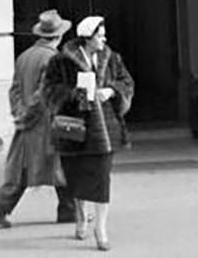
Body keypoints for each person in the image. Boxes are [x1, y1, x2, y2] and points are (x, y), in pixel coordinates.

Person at [42, 15, 134, 252]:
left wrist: (111, 91)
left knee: (102, 179)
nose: (104, 39)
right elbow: (48, 90)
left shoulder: (112, 58)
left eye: (104, 35)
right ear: (87, 38)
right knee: (77, 177)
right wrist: (74, 94)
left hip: (105, 131)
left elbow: (126, 82)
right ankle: (81, 216)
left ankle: (100, 229)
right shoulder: (61, 61)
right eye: (100, 35)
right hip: (74, 129)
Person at [0, 10, 76, 228]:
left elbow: (15, 90)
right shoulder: (54, 59)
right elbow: (43, 93)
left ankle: (0, 205)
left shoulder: (24, 56)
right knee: (63, 165)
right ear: (58, 36)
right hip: (46, 122)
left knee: (23, 169)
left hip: (28, 123)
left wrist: (19, 113)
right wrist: (30, 114)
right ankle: (68, 210)